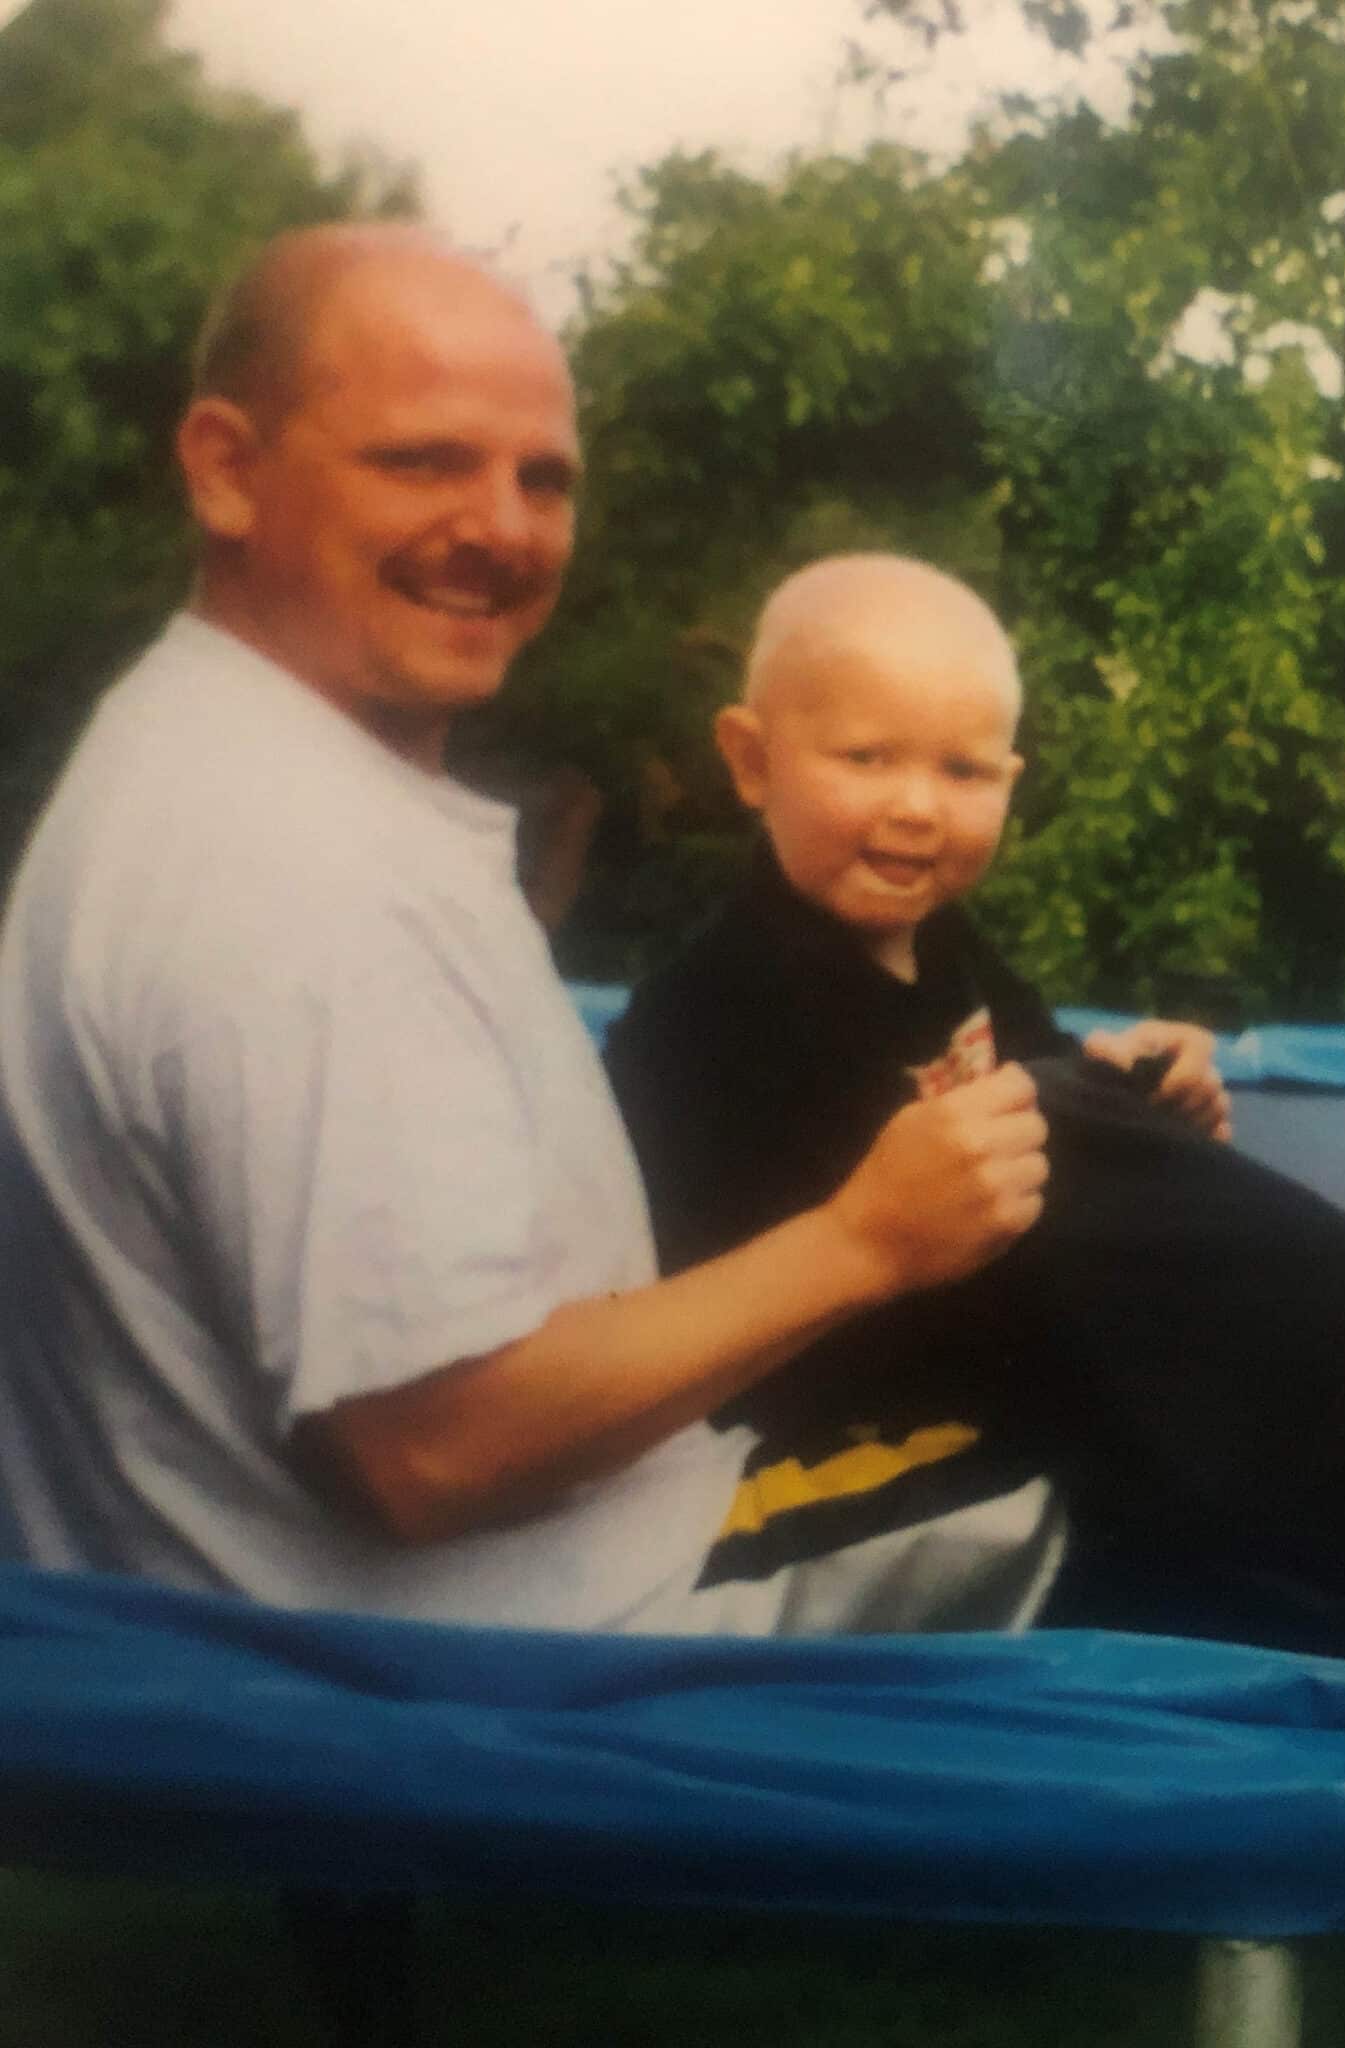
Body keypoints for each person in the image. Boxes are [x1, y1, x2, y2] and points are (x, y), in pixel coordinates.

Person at [0, 225, 1059, 1635]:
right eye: (422, 460)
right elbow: (436, 1449)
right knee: (1126, 1469)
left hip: (337, 1612)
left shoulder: (225, 757)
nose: (500, 527)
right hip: (504, 1657)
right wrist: (867, 1241)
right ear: (226, 467)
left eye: (541, 478)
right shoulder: (286, 869)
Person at [602, 553, 1345, 1672]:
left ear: (1011, 781)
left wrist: (1126, 1085)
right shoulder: (713, 1011)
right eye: (865, 759)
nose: (917, 807)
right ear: (751, 759)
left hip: (996, 1321)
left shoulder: (942, 947)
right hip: (865, 1381)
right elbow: (753, 1284)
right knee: (1316, 1303)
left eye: (964, 770)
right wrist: (1102, 1157)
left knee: (1317, 1299)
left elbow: (1038, 1077)